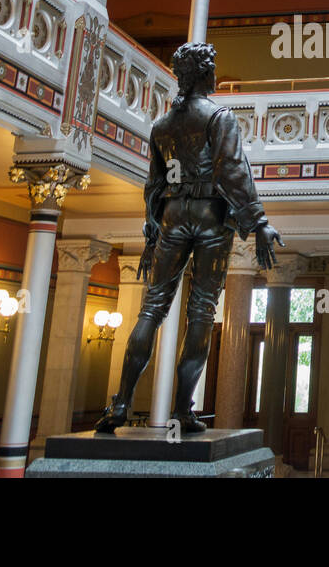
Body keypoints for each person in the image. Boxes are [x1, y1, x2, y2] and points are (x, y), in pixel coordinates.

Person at [95, 41, 283, 434]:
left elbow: (154, 185)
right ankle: (183, 409)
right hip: (210, 216)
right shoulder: (219, 117)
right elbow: (232, 170)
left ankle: (120, 405)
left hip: (173, 215)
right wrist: (259, 221)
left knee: (152, 309)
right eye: (212, 68)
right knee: (201, 311)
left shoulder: (163, 126)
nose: (216, 74)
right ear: (202, 74)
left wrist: (152, 233)